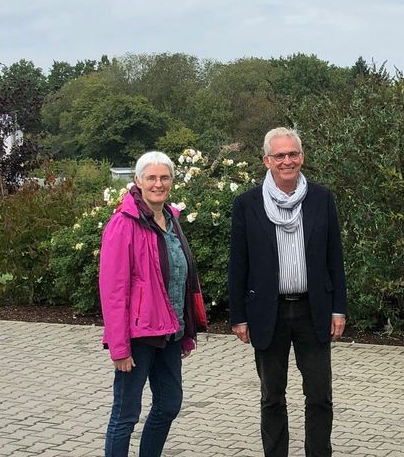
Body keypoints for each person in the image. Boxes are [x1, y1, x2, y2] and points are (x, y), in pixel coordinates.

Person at [228, 127, 348, 457]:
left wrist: (339, 308)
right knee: (271, 396)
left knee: (320, 395)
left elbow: (334, 257)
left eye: (293, 154)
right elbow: (238, 263)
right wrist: (238, 315)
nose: (287, 161)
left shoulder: (321, 198)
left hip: (314, 311)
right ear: (266, 161)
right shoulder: (247, 204)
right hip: (269, 312)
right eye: (279, 155)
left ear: (302, 157)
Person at [99, 151, 207, 457]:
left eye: (164, 177)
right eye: (151, 178)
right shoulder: (124, 223)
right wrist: (119, 347)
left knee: (169, 404)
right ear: (138, 181)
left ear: (172, 181)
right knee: (126, 415)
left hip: (170, 331)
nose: (158, 184)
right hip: (138, 336)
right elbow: (114, 291)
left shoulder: (171, 218)